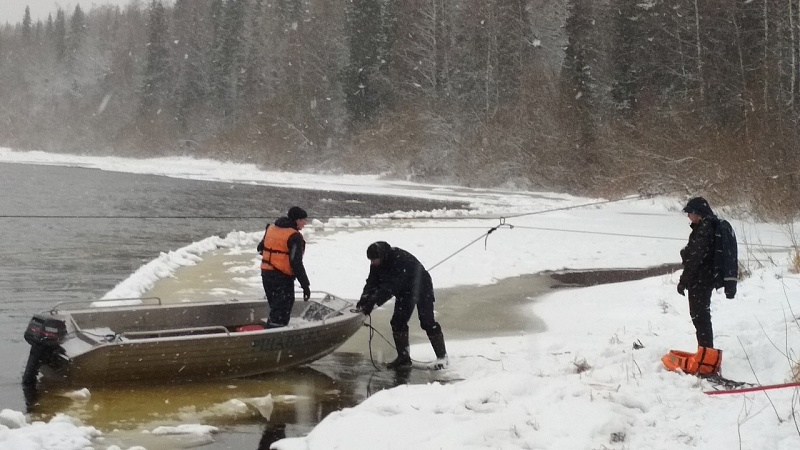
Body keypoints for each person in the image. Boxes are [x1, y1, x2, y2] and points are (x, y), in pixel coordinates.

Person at [356, 241, 448, 370]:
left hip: (422, 286)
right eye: (370, 260)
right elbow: (372, 283)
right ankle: (403, 358)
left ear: (382, 256)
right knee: (398, 322)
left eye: (374, 260)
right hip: (405, 291)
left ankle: (442, 358)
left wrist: (372, 304)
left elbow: (389, 288)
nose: (372, 263)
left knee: (427, 322)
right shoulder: (376, 264)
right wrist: (363, 300)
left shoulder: (399, 259)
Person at [257, 206, 311, 328]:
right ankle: (273, 338)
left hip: (266, 275)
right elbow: (296, 263)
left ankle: (271, 332)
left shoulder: (271, 229)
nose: (305, 223)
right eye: (303, 220)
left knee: (275, 308)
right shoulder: (294, 236)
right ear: (297, 220)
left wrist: (274, 256)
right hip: (282, 278)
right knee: (282, 310)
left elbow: (260, 248)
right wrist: (305, 285)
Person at [677, 197, 718, 350]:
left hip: (701, 279)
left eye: (690, 213)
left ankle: (707, 354)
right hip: (704, 278)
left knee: (700, 317)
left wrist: (683, 280)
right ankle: (705, 352)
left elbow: (695, 259)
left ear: (698, 213)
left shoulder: (704, 230)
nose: (688, 217)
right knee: (701, 316)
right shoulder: (707, 227)